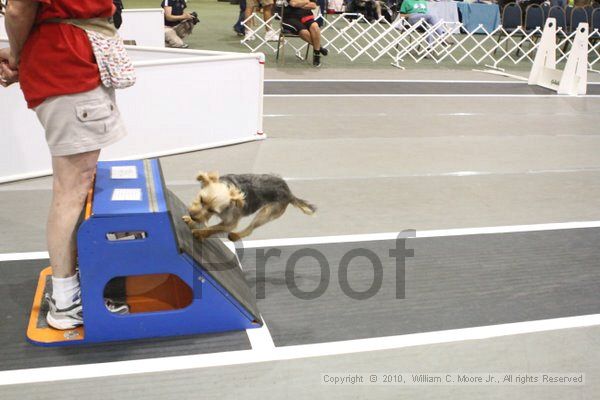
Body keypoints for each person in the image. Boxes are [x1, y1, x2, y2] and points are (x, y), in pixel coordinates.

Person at [0, 0, 128, 330]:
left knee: (76, 186)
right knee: (71, 191)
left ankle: (68, 288)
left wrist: (22, 56)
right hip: (68, 66)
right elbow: (18, 9)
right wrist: (18, 57)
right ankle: (66, 302)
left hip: (68, 61)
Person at [282, 0, 328, 66]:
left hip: (306, 16)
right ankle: (319, 49)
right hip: (291, 17)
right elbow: (293, 3)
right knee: (304, 31)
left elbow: (313, 5)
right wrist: (307, 1)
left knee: (315, 26)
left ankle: (316, 54)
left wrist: (300, 4)